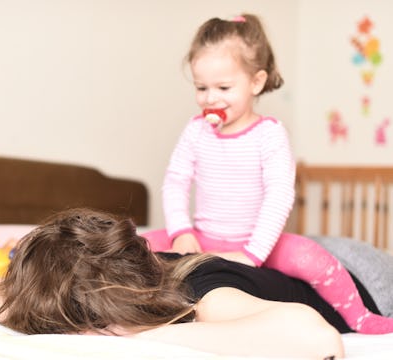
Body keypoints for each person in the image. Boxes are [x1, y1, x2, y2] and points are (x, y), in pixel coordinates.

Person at [141, 13, 393, 334]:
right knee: (137, 245)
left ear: (256, 82)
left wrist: (252, 253)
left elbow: (279, 195)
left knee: (313, 259)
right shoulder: (196, 131)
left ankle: (360, 318)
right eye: (201, 87)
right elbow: (175, 181)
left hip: (257, 241)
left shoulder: (268, 134)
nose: (210, 98)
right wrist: (181, 232)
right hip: (203, 236)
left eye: (223, 87)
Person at [0, 208, 344, 359]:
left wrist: (140, 335)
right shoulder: (103, 282)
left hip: (357, 276)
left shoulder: (203, 295)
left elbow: (319, 342)